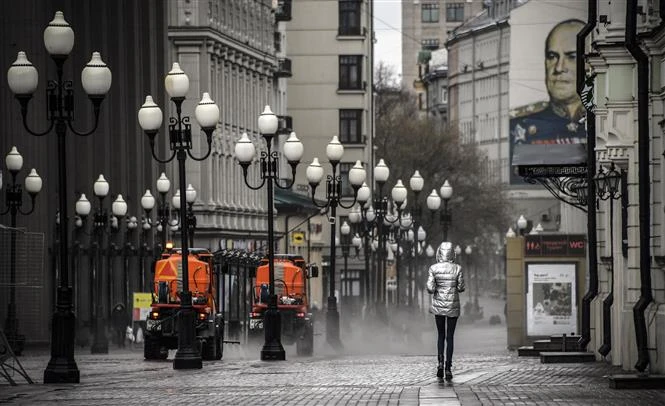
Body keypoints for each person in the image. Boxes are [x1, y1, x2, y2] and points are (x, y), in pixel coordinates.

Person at [509, 19, 587, 183]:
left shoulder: (603, 119)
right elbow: (519, 174)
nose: (558, 67)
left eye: (571, 57)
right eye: (552, 56)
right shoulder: (521, 124)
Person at [427, 241, 465, 381]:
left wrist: (438, 286)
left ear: (439, 253)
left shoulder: (433, 268)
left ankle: (440, 364)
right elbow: (461, 288)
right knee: (450, 337)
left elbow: (430, 289)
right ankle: (448, 368)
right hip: (453, 306)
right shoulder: (458, 268)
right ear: (452, 253)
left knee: (440, 335)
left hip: (438, 306)